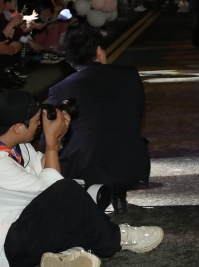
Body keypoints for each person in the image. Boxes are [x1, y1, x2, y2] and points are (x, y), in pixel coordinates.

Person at [0, 90, 163, 267]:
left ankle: (64, 256)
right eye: (37, 122)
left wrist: (58, 137)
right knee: (69, 191)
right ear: (17, 128)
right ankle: (114, 238)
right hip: (9, 246)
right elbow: (52, 190)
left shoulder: (16, 146)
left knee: (78, 199)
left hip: (26, 224)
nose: (40, 125)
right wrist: (52, 141)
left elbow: (43, 167)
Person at [47, 24, 150, 215]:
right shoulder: (130, 75)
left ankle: (90, 200)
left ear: (70, 61)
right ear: (99, 51)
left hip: (88, 170)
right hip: (132, 164)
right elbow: (137, 114)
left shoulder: (60, 89)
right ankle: (119, 198)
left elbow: (50, 136)